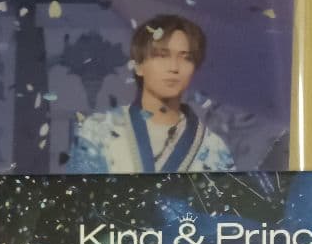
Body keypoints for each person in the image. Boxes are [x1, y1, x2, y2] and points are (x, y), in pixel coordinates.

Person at [66, 13, 234, 175]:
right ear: (139, 65)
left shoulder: (214, 148)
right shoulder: (96, 131)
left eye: (186, 58)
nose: (174, 67)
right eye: (162, 55)